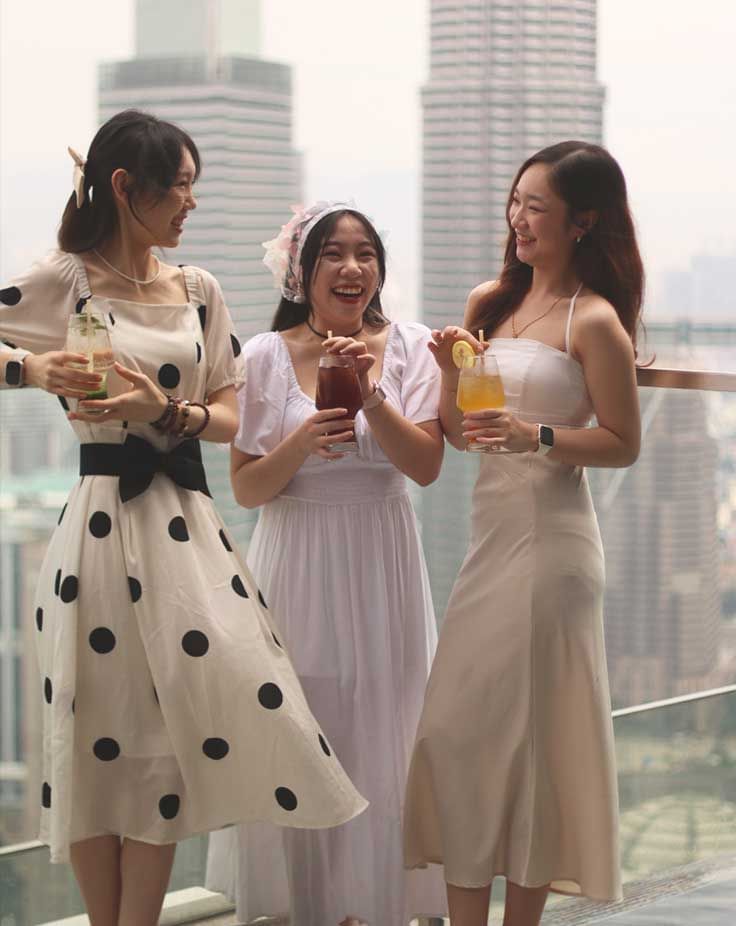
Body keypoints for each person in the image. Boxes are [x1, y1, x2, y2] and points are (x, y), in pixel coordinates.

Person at [0, 112, 365, 926]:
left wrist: (165, 408)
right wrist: (32, 368)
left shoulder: (197, 288)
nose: (190, 204)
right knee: (100, 739)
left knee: (166, 738)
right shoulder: (67, 280)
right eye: (181, 187)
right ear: (127, 189)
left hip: (184, 528)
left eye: (195, 187)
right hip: (96, 528)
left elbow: (230, 414)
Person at [403, 141, 644, 926]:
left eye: (535, 207)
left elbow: (622, 442)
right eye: (515, 203)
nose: (518, 219)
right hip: (489, 543)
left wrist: (533, 435)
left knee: (532, 744)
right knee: (458, 730)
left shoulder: (595, 320)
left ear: (583, 222)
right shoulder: (488, 303)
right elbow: (459, 430)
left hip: (553, 547)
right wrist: (447, 369)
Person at [206, 202, 448, 926]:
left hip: (382, 564)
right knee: (302, 730)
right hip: (294, 567)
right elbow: (248, 486)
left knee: (384, 732)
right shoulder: (261, 356)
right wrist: (301, 443)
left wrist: (371, 394)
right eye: (333, 255)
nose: (352, 268)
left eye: (366, 253)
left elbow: (427, 465)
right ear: (301, 273)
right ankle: (304, 909)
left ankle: (374, 910)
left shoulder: (411, 345)